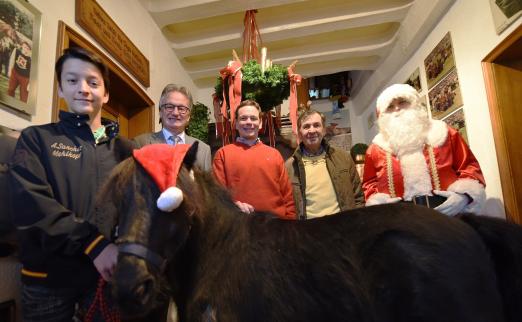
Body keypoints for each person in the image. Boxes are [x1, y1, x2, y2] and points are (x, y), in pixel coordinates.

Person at [9, 47, 124, 321]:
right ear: (60, 88)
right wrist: (94, 244)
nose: (83, 89)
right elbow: (30, 203)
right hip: (47, 281)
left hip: (105, 281)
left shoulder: (125, 150)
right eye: (73, 81)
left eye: (93, 82)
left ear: (105, 94)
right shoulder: (36, 139)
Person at [362, 83, 486, 215]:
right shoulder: (376, 149)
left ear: (415, 104)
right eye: (390, 107)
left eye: (403, 102)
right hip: (399, 220)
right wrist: (377, 203)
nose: (397, 109)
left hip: (449, 215)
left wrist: (463, 197)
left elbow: (469, 167)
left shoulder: (444, 133)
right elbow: (369, 184)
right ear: (382, 115)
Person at [213, 99, 296, 219]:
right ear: (235, 123)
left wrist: (290, 224)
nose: (248, 122)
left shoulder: (275, 154)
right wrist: (234, 205)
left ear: (260, 123)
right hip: (241, 227)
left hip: (276, 227)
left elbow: (288, 197)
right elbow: (217, 196)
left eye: (253, 118)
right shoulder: (222, 155)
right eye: (243, 118)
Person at [285, 110, 364, 220]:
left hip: (343, 227)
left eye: (316, 125)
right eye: (306, 127)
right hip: (309, 232)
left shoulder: (344, 158)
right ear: (299, 133)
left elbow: (358, 196)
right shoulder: (289, 167)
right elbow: (287, 205)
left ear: (324, 130)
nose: (312, 130)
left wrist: (357, 221)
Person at [134, 83, 211, 171]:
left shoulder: (203, 150)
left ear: (189, 116)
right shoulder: (140, 143)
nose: (175, 113)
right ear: (160, 112)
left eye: (181, 108)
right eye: (169, 107)